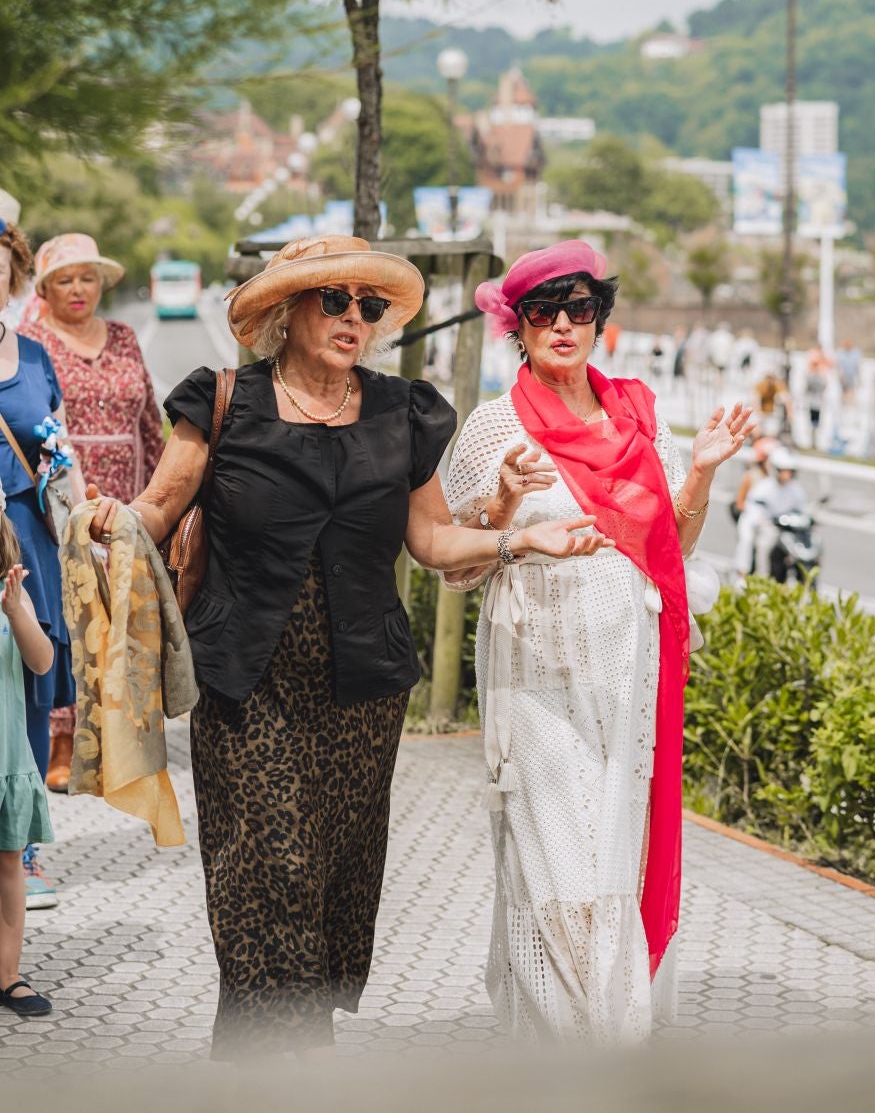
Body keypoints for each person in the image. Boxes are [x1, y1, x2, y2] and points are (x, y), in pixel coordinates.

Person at [86, 235, 605, 1057]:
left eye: (368, 307)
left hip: (362, 690)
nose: (354, 319)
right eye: (334, 301)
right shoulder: (224, 400)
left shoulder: (403, 410)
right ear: (284, 313)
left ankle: (275, 1058)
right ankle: (280, 1063)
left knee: (331, 883)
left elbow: (433, 542)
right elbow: (158, 507)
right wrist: (112, 521)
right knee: (271, 870)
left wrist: (519, 541)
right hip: (246, 678)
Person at [444, 240, 753, 1042]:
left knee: (613, 856)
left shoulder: (638, 417)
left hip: (624, 681)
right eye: (544, 310)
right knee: (557, 858)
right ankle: (592, 1048)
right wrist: (506, 505)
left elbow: (673, 545)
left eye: (580, 308)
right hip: (536, 678)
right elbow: (451, 563)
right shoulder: (493, 427)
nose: (563, 325)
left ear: (600, 320)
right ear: (519, 326)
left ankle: (603, 1036)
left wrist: (705, 472)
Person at [20, 233, 164, 794]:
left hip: (123, 494)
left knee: (117, 610)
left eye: (87, 278)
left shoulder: (126, 337)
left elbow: (149, 418)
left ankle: (113, 740)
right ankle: (61, 740)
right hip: (58, 497)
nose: (78, 289)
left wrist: (157, 500)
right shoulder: (29, 342)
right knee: (67, 610)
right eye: (64, 280)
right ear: (44, 289)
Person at [0, 221, 86, 909]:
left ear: (14, 277)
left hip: (29, 547)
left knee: (28, 691)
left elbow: (60, 452)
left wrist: (82, 522)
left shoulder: (34, 357)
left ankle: (19, 854)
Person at [0, 483, 55, 1018]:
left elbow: (42, 663)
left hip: (6, 760)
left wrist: (17, 612)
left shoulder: (11, 592)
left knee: (9, 864)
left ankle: (9, 975)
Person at [734, 447, 807, 581]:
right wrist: (762, 520)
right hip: (763, 525)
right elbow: (752, 508)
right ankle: (752, 576)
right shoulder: (763, 487)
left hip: (785, 527)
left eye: (790, 471)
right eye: (784, 470)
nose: (787, 475)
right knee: (753, 542)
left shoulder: (796, 490)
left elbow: (802, 511)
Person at [804, 344, 832, 449]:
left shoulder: (820, 376)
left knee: (816, 422)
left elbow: (823, 386)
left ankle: (815, 440)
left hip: (818, 402)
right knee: (812, 421)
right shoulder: (811, 376)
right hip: (812, 402)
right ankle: (811, 439)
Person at [753, 369, 792, 440]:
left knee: (771, 433)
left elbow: (786, 398)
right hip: (760, 412)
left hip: (770, 413)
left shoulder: (778, 385)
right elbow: (755, 401)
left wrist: (790, 414)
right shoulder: (760, 386)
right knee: (756, 431)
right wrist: (758, 414)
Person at [836, 339, 862, 407]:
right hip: (844, 375)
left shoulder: (855, 353)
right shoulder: (841, 352)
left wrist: (859, 376)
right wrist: (840, 374)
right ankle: (844, 404)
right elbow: (839, 365)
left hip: (851, 375)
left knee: (851, 390)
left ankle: (850, 404)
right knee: (844, 390)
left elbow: (857, 365)